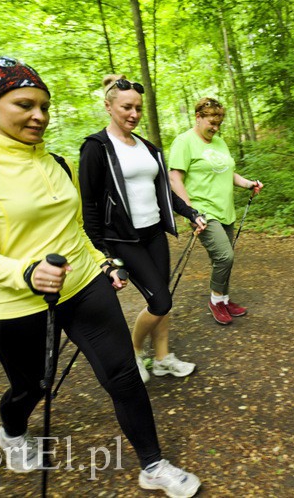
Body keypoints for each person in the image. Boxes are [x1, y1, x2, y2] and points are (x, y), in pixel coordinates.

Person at [0, 56, 199, 496]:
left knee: (124, 376)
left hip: (84, 288)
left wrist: (101, 262)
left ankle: (153, 465)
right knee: (32, 387)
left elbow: (77, 230)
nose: (38, 115)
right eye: (24, 104)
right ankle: (13, 433)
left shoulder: (57, 163)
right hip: (15, 305)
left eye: (44, 105)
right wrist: (25, 272)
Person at [79, 74, 206, 384]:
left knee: (163, 300)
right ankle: (134, 351)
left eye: (137, 108)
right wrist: (101, 253)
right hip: (123, 239)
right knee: (161, 301)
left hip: (153, 234)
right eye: (126, 107)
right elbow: (90, 204)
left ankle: (162, 359)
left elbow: (163, 189)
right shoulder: (96, 148)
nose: (133, 114)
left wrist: (189, 212)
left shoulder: (148, 148)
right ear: (108, 106)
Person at [168, 98, 262, 325]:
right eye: (211, 122)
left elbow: (227, 173)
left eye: (219, 123)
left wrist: (248, 183)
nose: (216, 128)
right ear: (198, 117)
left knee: (225, 260)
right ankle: (215, 300)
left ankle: (225, 299)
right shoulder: (184, 142)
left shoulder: (219, 143)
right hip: (203, 211)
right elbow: (174, 178)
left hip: (225, 210)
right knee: (224, 256)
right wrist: (190, 212)